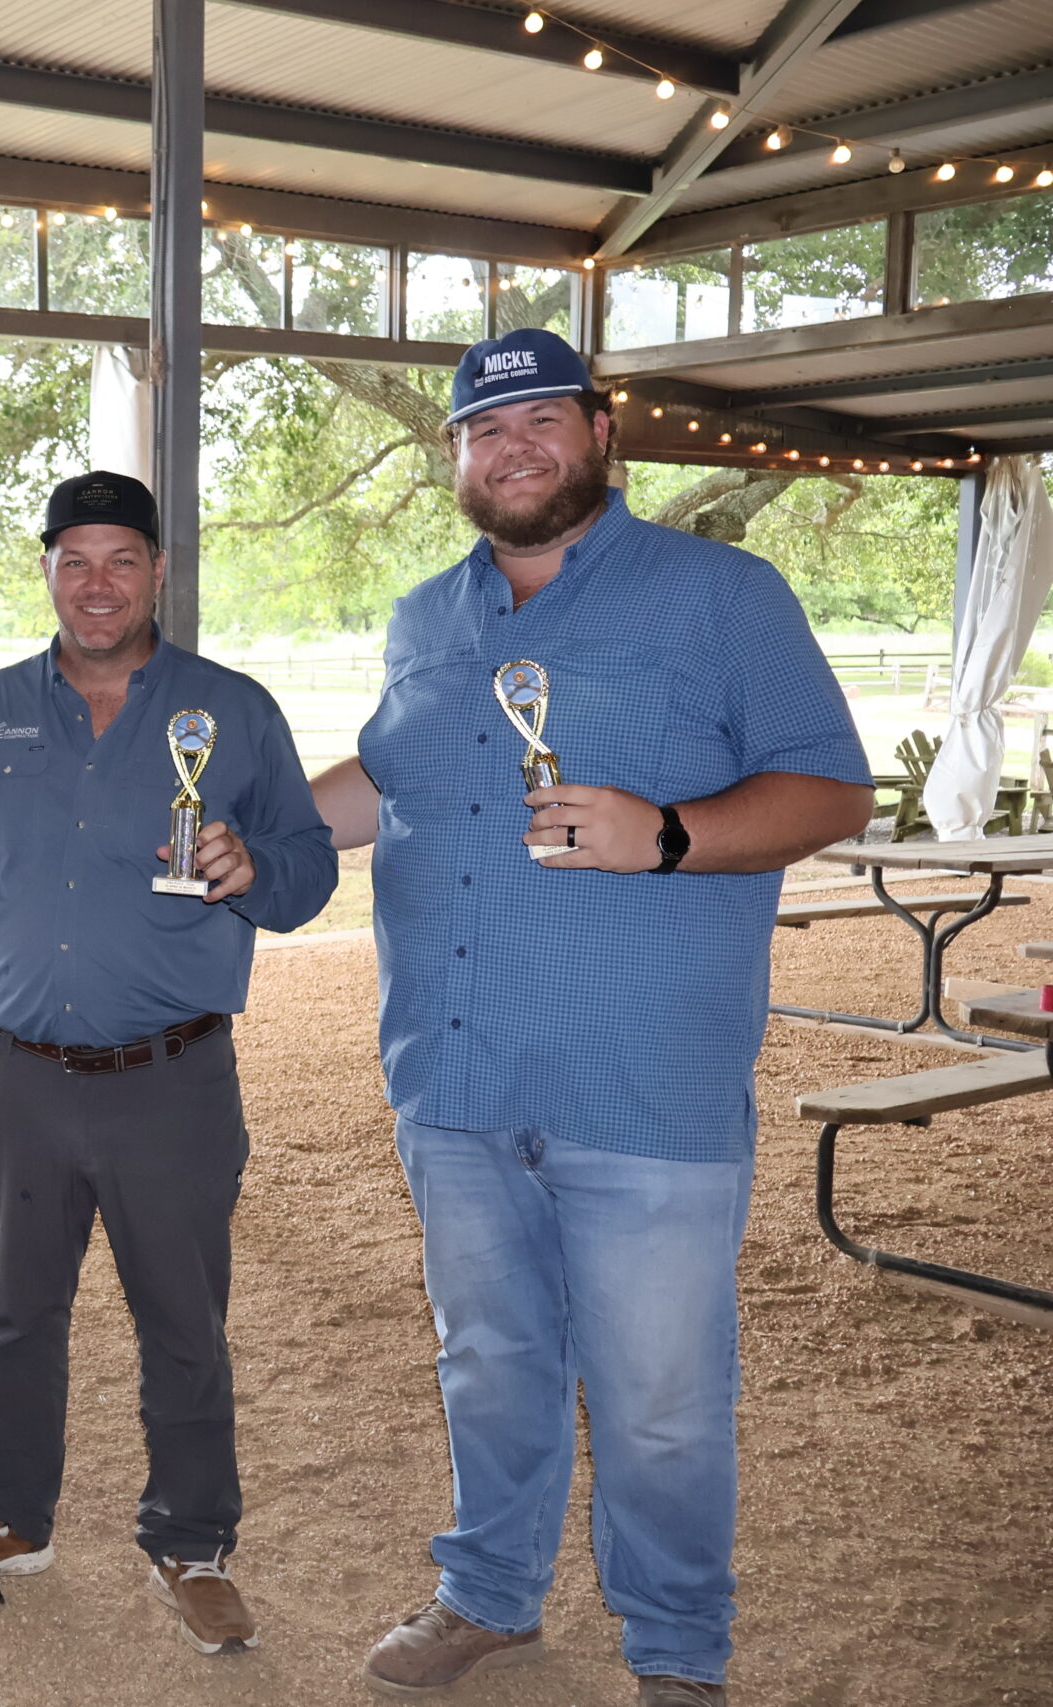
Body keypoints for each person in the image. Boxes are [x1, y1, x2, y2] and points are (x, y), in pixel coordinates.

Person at [313, 329, 874, 1707]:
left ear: (600, 433)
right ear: (454, 455)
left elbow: (832, 789)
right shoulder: (424, 617)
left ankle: (676, 1648)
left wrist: (666, 832)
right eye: (484, 429)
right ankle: (488, 1592)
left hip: (641, 1085)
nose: (513, 448)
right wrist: (245, 830)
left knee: (660, 1398)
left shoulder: (721, 595)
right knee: (487, 1361)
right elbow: (388, 780)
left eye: (541, 420)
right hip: (453, 1078)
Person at [0, 470, 337, 1655]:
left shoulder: (232, 710)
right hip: (19, 1077)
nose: (98, 585)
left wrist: (258, 869)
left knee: (183, 1322)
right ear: (45, 570)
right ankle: (7, 1520)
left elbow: (308, 869)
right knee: (11, 1316)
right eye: (75, 561)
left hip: (171, 1081)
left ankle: (191, 1542)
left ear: (156, 572)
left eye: (121, 561)